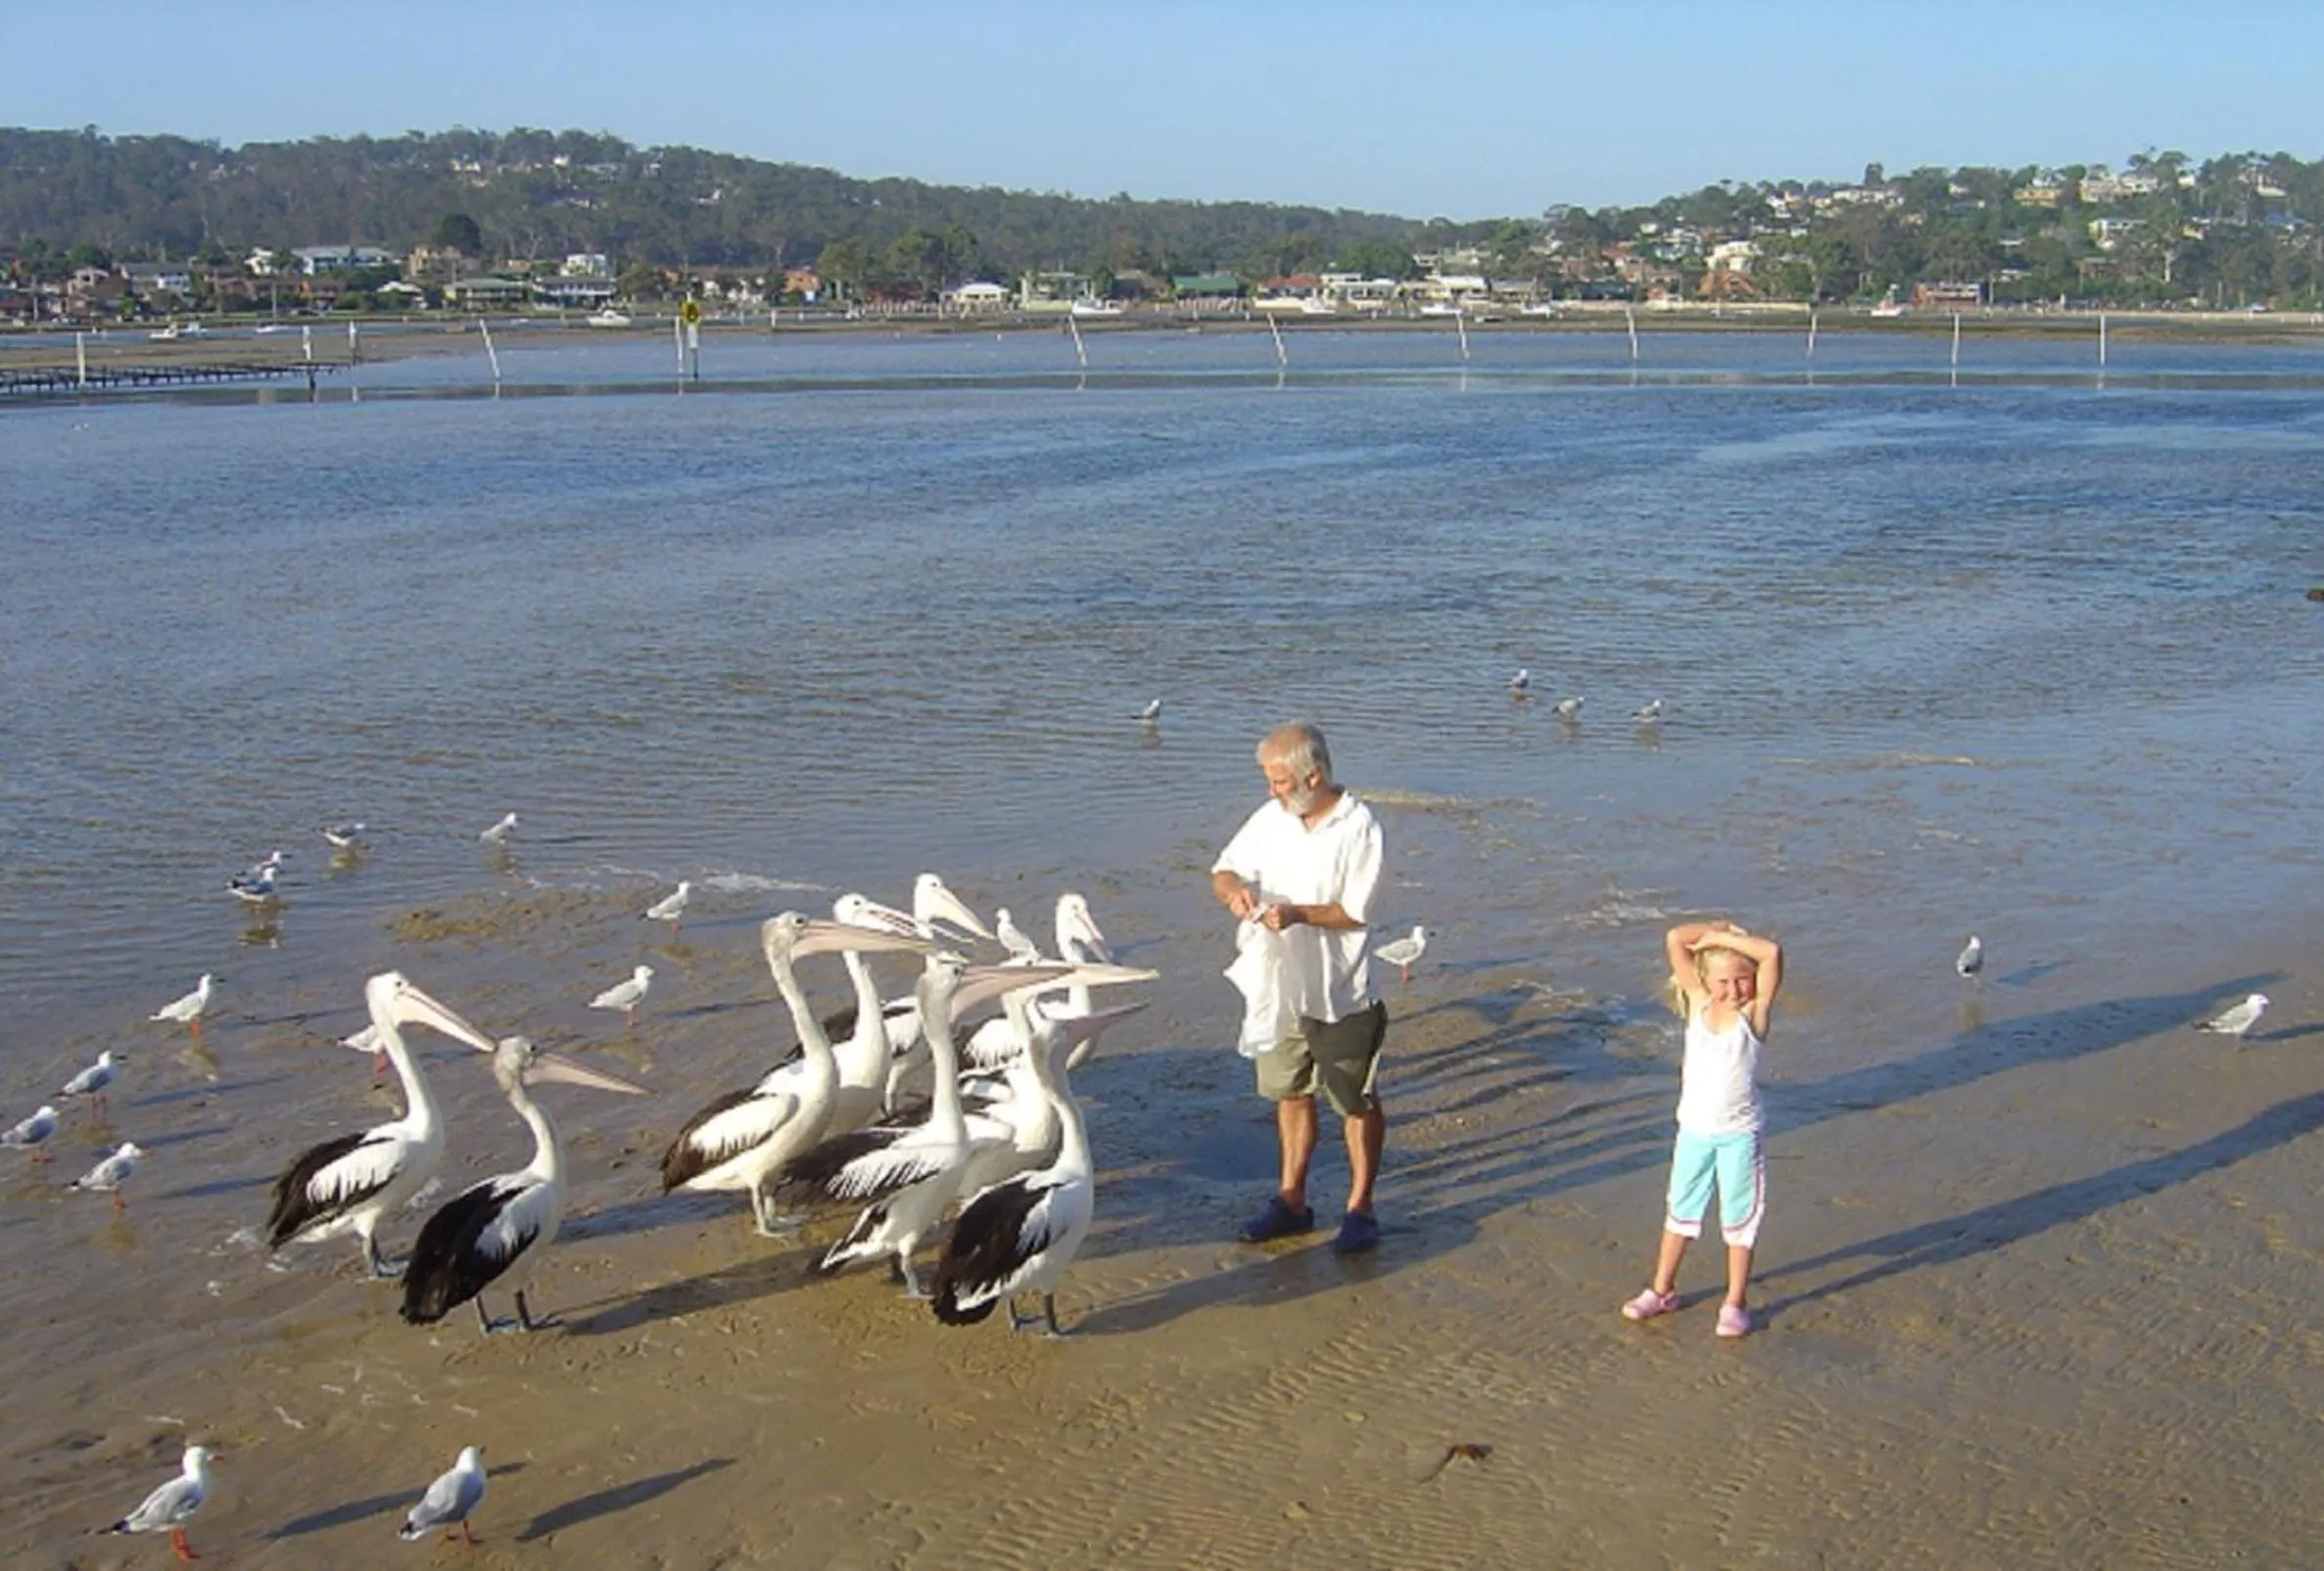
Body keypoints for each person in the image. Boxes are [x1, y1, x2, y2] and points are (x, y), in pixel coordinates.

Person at [1210, 722, 1388, 1254]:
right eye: (1268, 780)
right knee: (1288, 1092)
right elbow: (1222, 869)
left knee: (1354, 1100)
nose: (1271, 791)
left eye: (1280, 782)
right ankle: (1291, 1200)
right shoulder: (1272, 818)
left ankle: (1360, 1208)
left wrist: (1296, 915)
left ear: (1314, 776)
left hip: (1341, 988)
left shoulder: (1360, 827)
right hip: (1279, 985)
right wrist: (1235, 894)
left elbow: (1357, 913)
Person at [1621, 920, 1784, 1338]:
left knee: (1739, 1220)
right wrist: (1711, 932)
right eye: (1723, 981)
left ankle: (1735, 1302)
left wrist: (1724, 941)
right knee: (1680, 1211)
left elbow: (1771, 953)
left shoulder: (1754, 1015)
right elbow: (1675, 938)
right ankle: (1661, 1290)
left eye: (1742, 979)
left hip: (1739, 1136)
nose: (1733, 990)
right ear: (1705, 980)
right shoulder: (1697, 1003)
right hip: (1693, 1132)